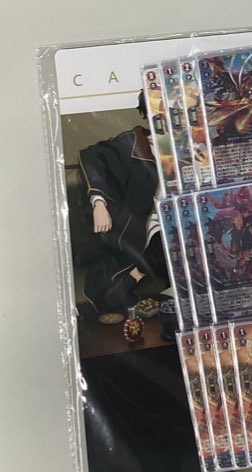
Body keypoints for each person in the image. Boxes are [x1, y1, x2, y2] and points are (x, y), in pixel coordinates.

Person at [78, 90, 164, 321]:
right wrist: (99, 203)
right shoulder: (133, 142)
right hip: (142, 222)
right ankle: (129, 282)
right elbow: (92, 156)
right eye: (158, 111)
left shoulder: (191, 145)